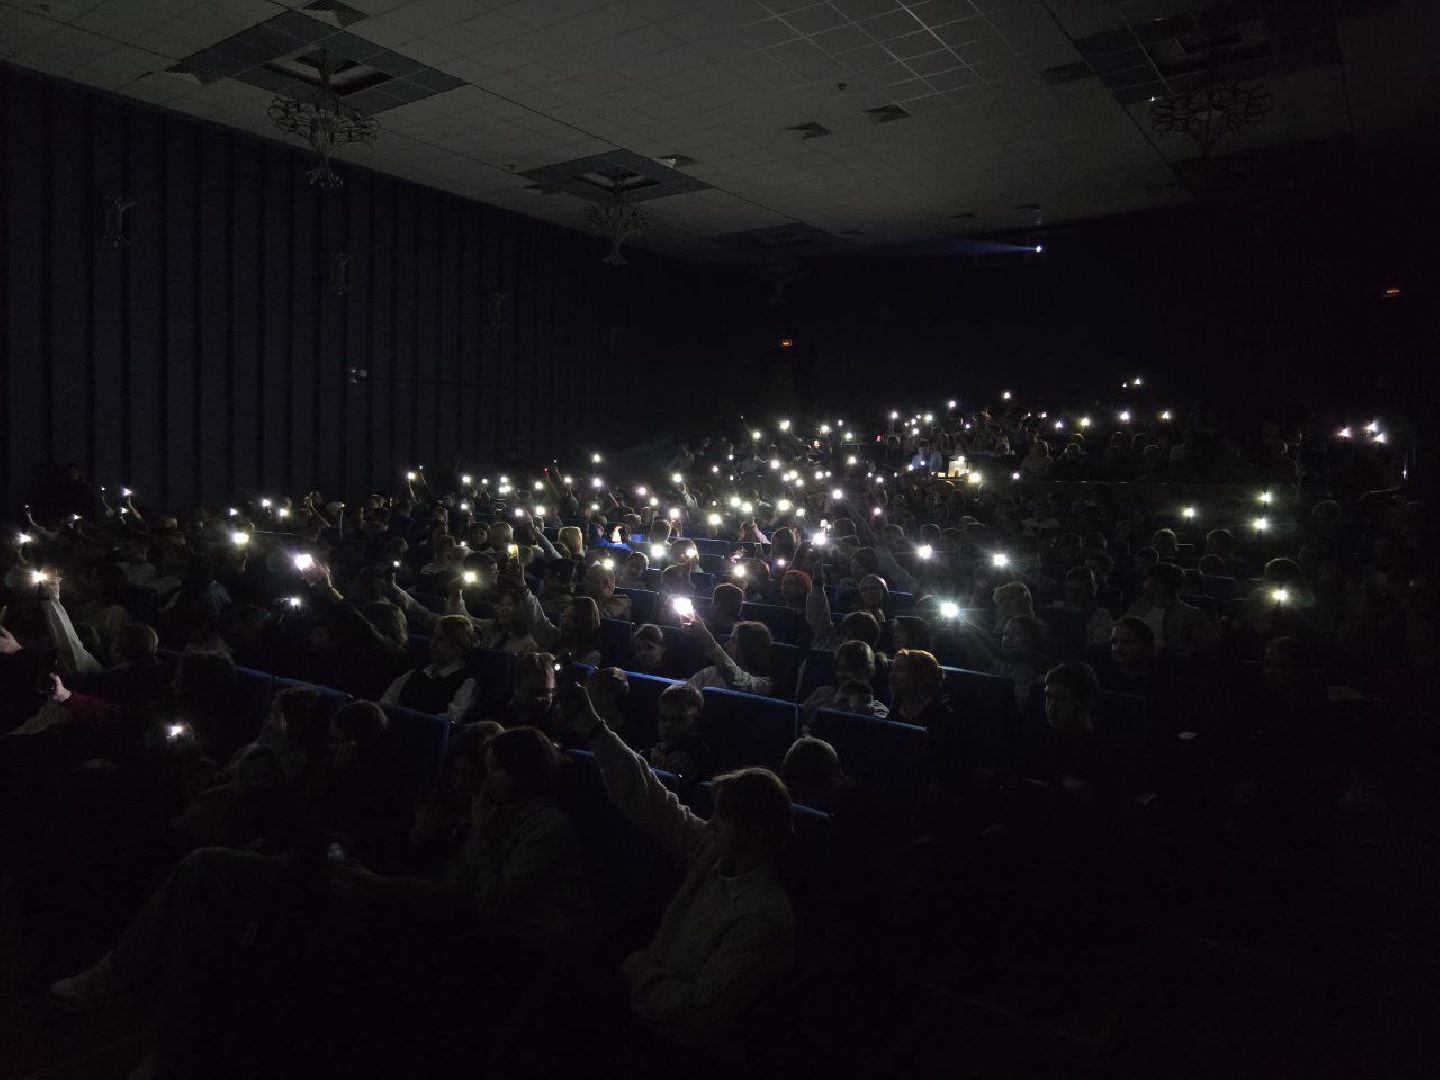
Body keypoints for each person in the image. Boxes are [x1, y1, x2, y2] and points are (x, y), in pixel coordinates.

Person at [563, 689, 796, 1048]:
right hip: (649, 1001)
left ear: (754, 833)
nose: (712, 822)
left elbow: (695, 1013)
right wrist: (593, 728)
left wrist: (636, 971)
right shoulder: (713, 850)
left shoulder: (762, 917)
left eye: (722, 816)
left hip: (674, 1045)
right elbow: (651, 799)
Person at [380, 614, 479, 724]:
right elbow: (388, 699)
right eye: (433, 637)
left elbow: (449, 720)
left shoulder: (467, 682)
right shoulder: (417, 672)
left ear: (459, 646)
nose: (433, 643)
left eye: (441, 639)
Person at [1127, 562, 1219, 657]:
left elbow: (1209, 645)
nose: (1144, 585)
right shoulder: (1138, 607)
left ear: (1159, 586)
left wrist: (1175, 652)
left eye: (1148, 581)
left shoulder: (1190, 615)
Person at [799, 639, 889, 733]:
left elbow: (856, 730)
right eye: (838, 669)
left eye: (848, 669)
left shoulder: (879, 711)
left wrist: (863, 696)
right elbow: (799, 719)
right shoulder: (822, 693)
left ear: (866, 671)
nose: (841, 675)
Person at [646, 683, 713, 792]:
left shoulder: (698, 757)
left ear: (695, 723)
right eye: (663, 718)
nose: (668, 725)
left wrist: (661, 771)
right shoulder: (654, 747)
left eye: (678, 720)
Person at [685, 619, 775, 697]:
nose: (726, 645)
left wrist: (705, 636)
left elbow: (738, 680)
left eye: (733, 641)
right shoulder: (711, 672)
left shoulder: (762, 685)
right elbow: (684, 693)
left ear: (749, 650)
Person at [521, 592, 602, 667]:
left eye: (572, 618)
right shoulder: (556, 637)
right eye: (564, 616)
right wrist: (524, 590)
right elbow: (538, 620)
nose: (565, 622)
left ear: (584, 623)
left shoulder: (592, 656)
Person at [1058, 567, 1115, 647]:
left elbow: (1098, 648)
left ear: (1090, 591)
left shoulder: (1102, 616)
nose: (1073, 595)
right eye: (1069, 590)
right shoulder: (1056, 608)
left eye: (1078, 591)